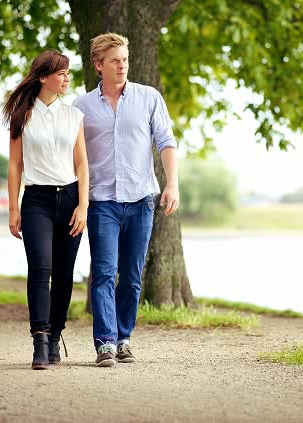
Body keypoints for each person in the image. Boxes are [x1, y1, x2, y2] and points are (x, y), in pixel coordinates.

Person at [73, 33, 179, 367]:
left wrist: (172, 185)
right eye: (115, 60)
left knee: (132, 277)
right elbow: (73, 156)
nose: (122, 66)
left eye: (125, 59)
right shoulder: (82, 107)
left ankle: (123, 338)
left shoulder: (149, 98)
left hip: (140, 201)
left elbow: (165, 141)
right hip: (101, 201)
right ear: (98, 65)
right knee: (104, 272)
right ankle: (104, 343)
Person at [4, 49, 89, 370]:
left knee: (65, 275)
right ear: (43, 77)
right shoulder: (22, 114)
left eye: (68, 73)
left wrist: (83, 204)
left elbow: (82, 162)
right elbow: (14, 164)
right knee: (41, 270)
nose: (67, 78)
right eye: (61, 73)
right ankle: (39, 341)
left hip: (70, 199)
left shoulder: (74, 116)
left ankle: (55, 336)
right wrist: (13, 208)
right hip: (36, 200)